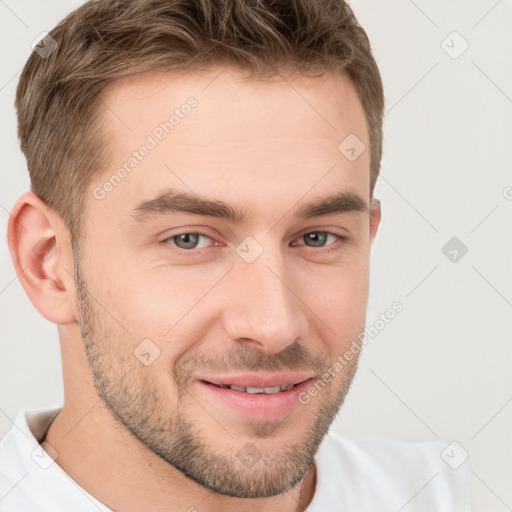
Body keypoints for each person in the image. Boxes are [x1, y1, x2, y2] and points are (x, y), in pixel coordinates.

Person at [1, 0, 470, 510]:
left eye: (317, 238)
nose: (273, 326)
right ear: (48, 263)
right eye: (190, 240)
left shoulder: (439, 494)